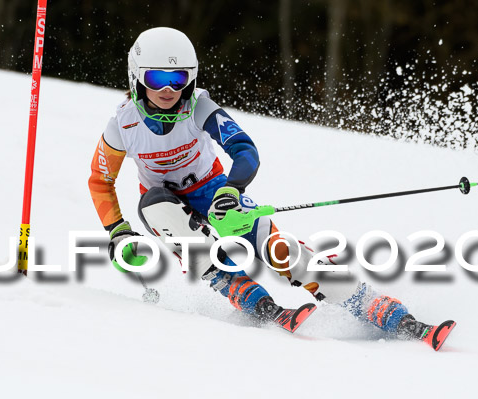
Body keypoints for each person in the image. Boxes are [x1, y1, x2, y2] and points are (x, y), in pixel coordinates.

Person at [88, 27, 455, 349]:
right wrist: (117, 231)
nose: (169, 89)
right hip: (164, 204)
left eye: (179, 77)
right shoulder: (123, 125)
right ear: (137, 77)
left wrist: (231, 189)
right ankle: (244, 292)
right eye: (156, 78)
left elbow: (244, 150)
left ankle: (380, 309)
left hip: (214, 189)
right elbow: (101, 180)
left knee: (277, 248)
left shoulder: (199, 107)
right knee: (159, 209)